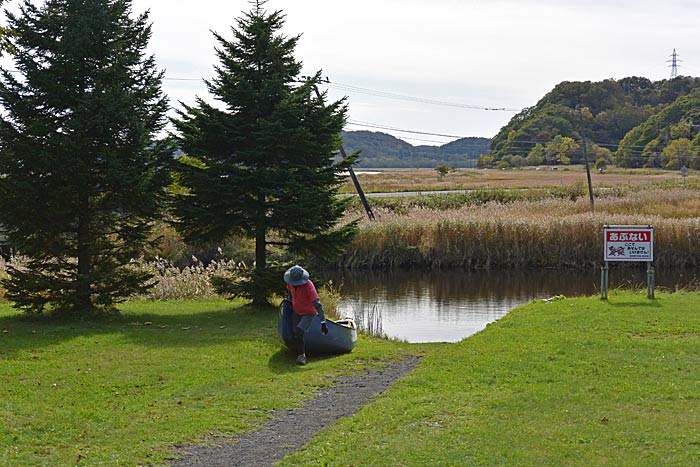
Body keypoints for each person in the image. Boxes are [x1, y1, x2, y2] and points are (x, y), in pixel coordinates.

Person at [284, 265, 328, 365]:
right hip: (296, 310)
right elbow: (290, 293)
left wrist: (323, 323)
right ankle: (298, 350)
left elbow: (318, 305)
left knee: (299, 331)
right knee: (295, 333)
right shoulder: (290, 283)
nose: (295, 284)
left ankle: (302, 357)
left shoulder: (309, 286)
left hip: (308, 312)